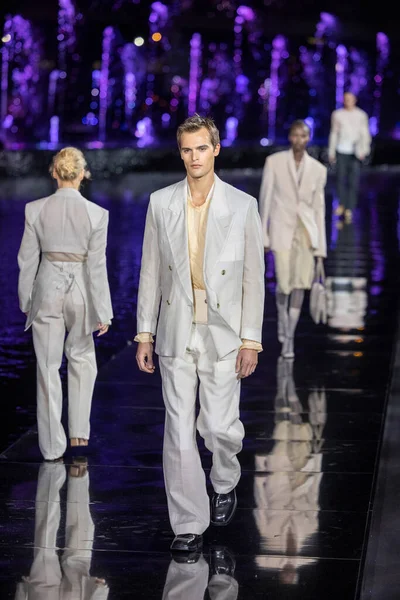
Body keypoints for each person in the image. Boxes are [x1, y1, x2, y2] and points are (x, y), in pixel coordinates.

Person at [135, 114, 265, 553]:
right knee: (178, 428)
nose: (194, 157)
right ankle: (188, 523)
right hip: (175, 329)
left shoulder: (243, 205)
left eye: (202, 148)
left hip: (224, 331)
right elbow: (150, 271)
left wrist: (251, 339)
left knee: (219, 427)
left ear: (216, 149)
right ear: (181, 152)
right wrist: (144, 333)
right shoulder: (160, 202)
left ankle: (225, 477)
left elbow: (253, 278)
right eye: (187, 149)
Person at [17, 147, 113, 461]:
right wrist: (104, 310)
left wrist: (25, 299)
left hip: (46, 287)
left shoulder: (35, 210)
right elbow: (97, 266)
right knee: (82, 359)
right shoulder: (97, 214)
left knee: (47, 367)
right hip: (82, 291)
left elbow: (27, 261)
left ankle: (51, 446)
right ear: (83, 174)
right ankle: (79, 434)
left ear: (54, 172)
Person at [259, 120, 327, 358]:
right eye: (296, 135)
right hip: (281, 230)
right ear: (290, 137)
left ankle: (289, 336)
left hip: (307, 235)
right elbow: (265, 199)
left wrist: (321, 249)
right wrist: (263, 235)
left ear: (308, 138)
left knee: (299, 284)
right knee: (284, 284)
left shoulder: (318, 169)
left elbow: (320, 210)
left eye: (304, 136)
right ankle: (281, 317)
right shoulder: (274, 162)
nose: (299, 139)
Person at [328, 92, 371, 223]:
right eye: (346, 99)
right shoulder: (337, 114)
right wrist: (331, 151)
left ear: (355, 100)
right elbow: (334, 133)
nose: (348, 101)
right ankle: (341, 204)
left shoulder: (361, 115)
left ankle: (349, 208)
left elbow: (365, 133)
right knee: (340, 179)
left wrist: (365, 149)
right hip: (341, 150)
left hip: (355, 152)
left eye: (350, 99)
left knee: (353, 181)